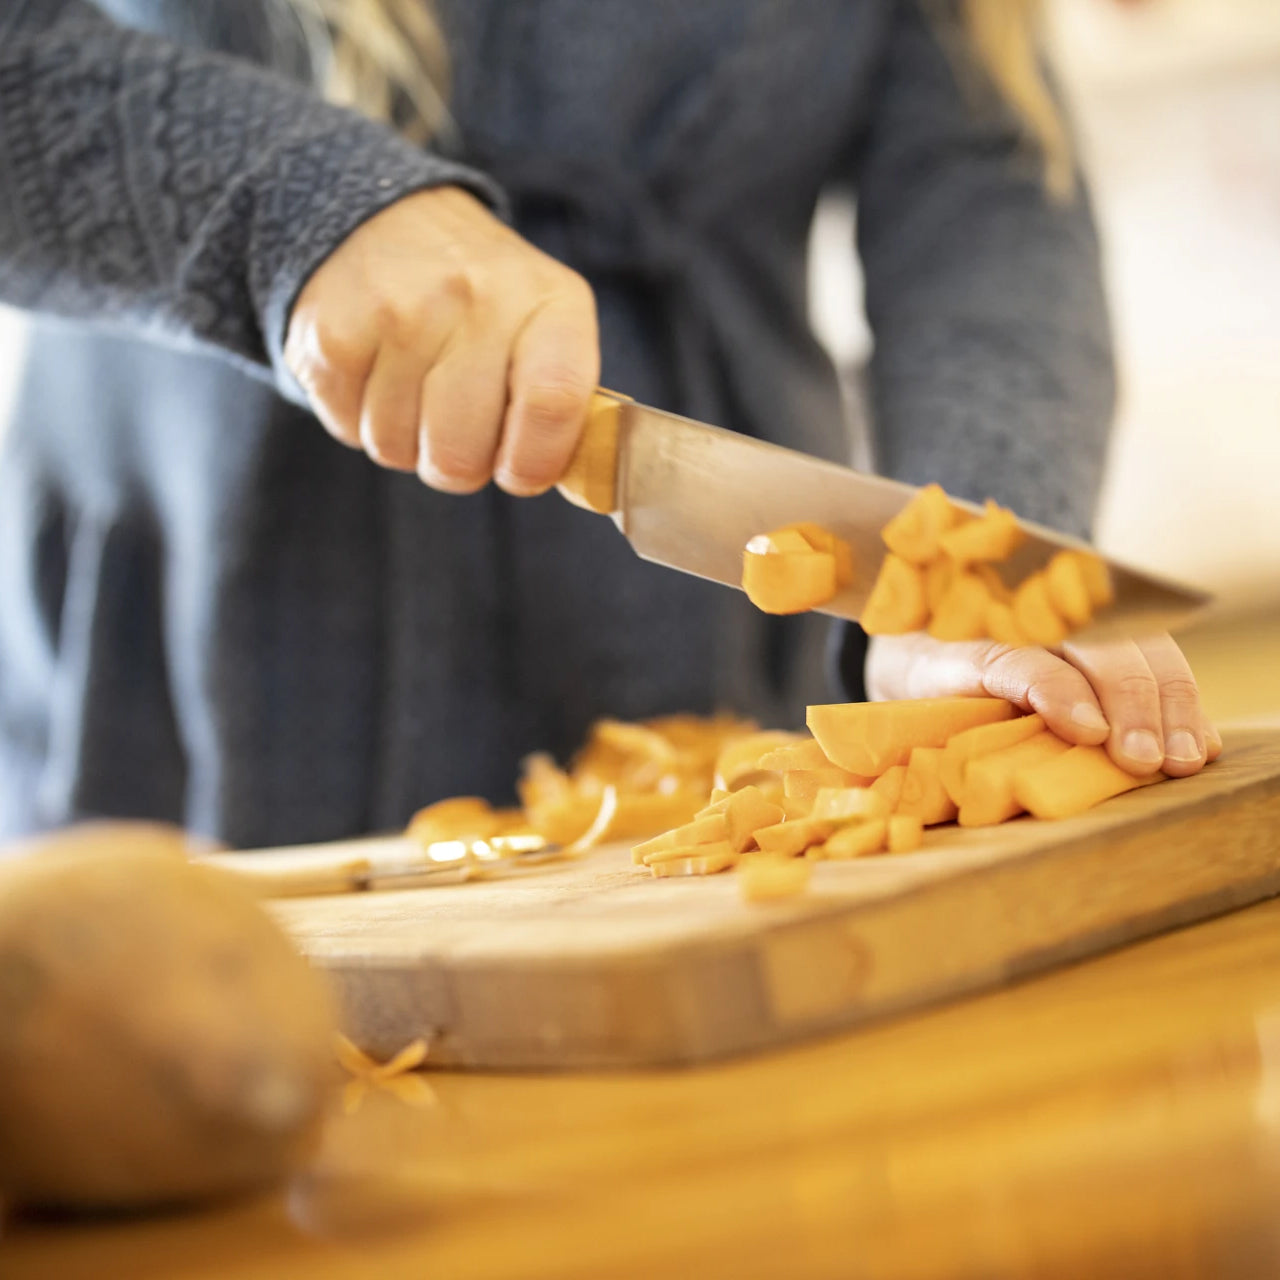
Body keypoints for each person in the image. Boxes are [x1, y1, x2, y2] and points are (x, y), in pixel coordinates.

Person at [0, 0, 1217, 849]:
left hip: (721, 649)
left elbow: (980, 196)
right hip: (183, 637)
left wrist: (965, 558)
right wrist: (285, 206)